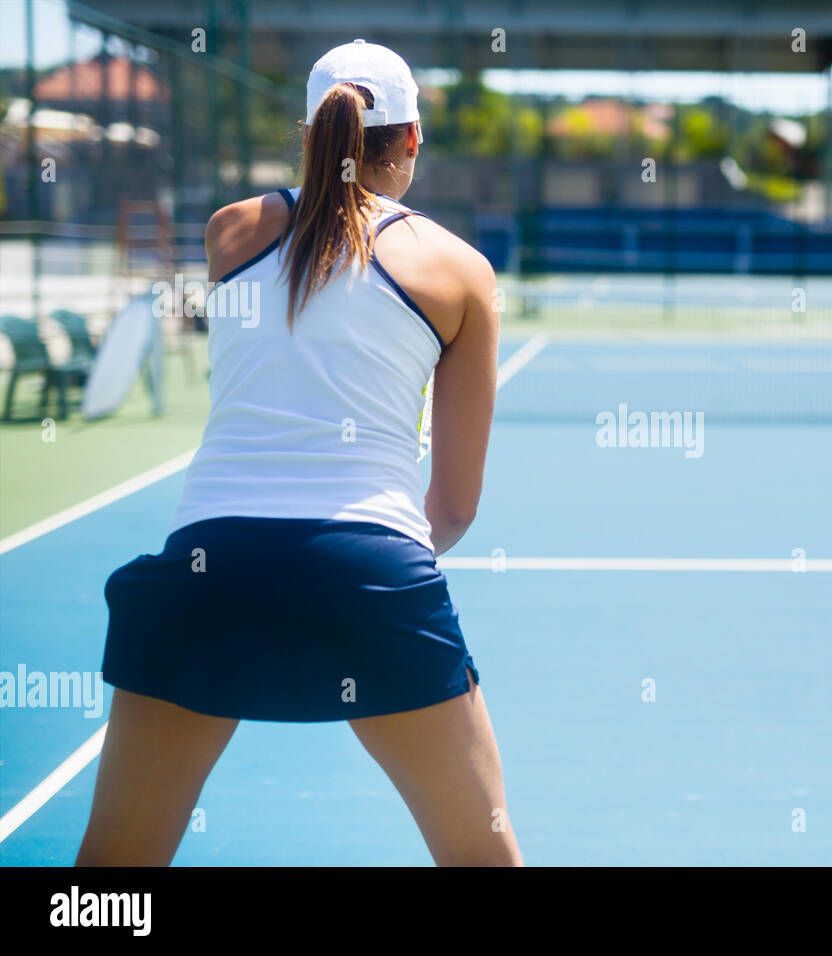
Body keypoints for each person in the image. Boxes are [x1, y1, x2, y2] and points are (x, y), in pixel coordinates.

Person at [77, 40, 522, 866]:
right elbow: (454, 509)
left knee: (111, 873)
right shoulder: (461, 272)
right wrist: (359, 582)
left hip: (204, 570)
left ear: (309, 131)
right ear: (413, 139)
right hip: (373, 570)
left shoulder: (229, 232)